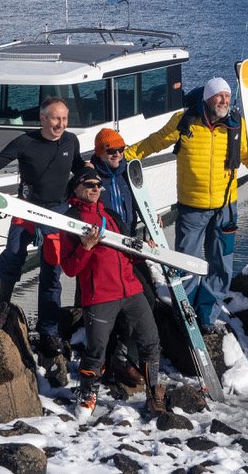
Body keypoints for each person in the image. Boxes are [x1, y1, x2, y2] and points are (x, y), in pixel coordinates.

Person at [0, 95, 84, 381]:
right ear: (43, 118)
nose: (61, 124)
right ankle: (3, 309)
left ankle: (48, 332)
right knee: (12, 256)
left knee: (52, 272)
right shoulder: (25, 142)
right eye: (56, 119)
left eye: (64, 119)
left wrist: (93, 173)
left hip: (58, 212)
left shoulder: (71, 141)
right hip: (24, 209)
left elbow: (79, 167)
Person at [127, 76, 248, 330]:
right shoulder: (185, 122)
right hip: (191, 207)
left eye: (227, 97)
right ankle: (186, 311)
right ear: (207, 98)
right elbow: (154, 141)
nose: (224, 101)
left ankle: (206, 314)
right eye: (219, 96)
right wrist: (126, 157)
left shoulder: (236, 126)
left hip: (226, 208)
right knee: (185, 264)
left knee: (222, 265)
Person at [58, 166, 166, 419]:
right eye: (89, 185)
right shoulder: (70, 221)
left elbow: (129, 250)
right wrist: (85, 248)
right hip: (100, 294)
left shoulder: (112, 216)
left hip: (130, 289)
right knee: (96, 350)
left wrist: (147, 245)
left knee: (151, 342)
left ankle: (153, 392)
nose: (95, 189)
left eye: (98, 185)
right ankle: (87, 393)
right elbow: (70, 269)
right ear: (76, 188)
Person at [90, 127, 147, 387]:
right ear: (101, 152)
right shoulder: (91, 178)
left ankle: (125, 356)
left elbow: (139, 201)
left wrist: (150, 221)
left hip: (129, 245)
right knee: (110, 305)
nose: (117, 154)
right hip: (104, 249)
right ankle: (104, 364)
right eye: (111, 150)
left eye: (121, 149)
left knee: (145, 297)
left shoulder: (126, 173)